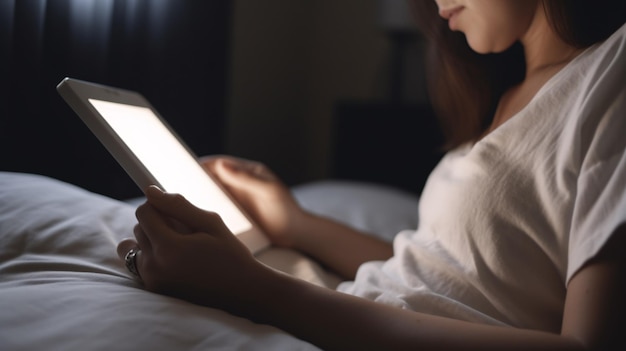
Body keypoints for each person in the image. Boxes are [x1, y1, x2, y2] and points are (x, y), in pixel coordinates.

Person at [117, 1, 626, 350]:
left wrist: (255, 288)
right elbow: (449, 273)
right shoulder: (510, 90)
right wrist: (294, 222)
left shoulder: (609, 72)